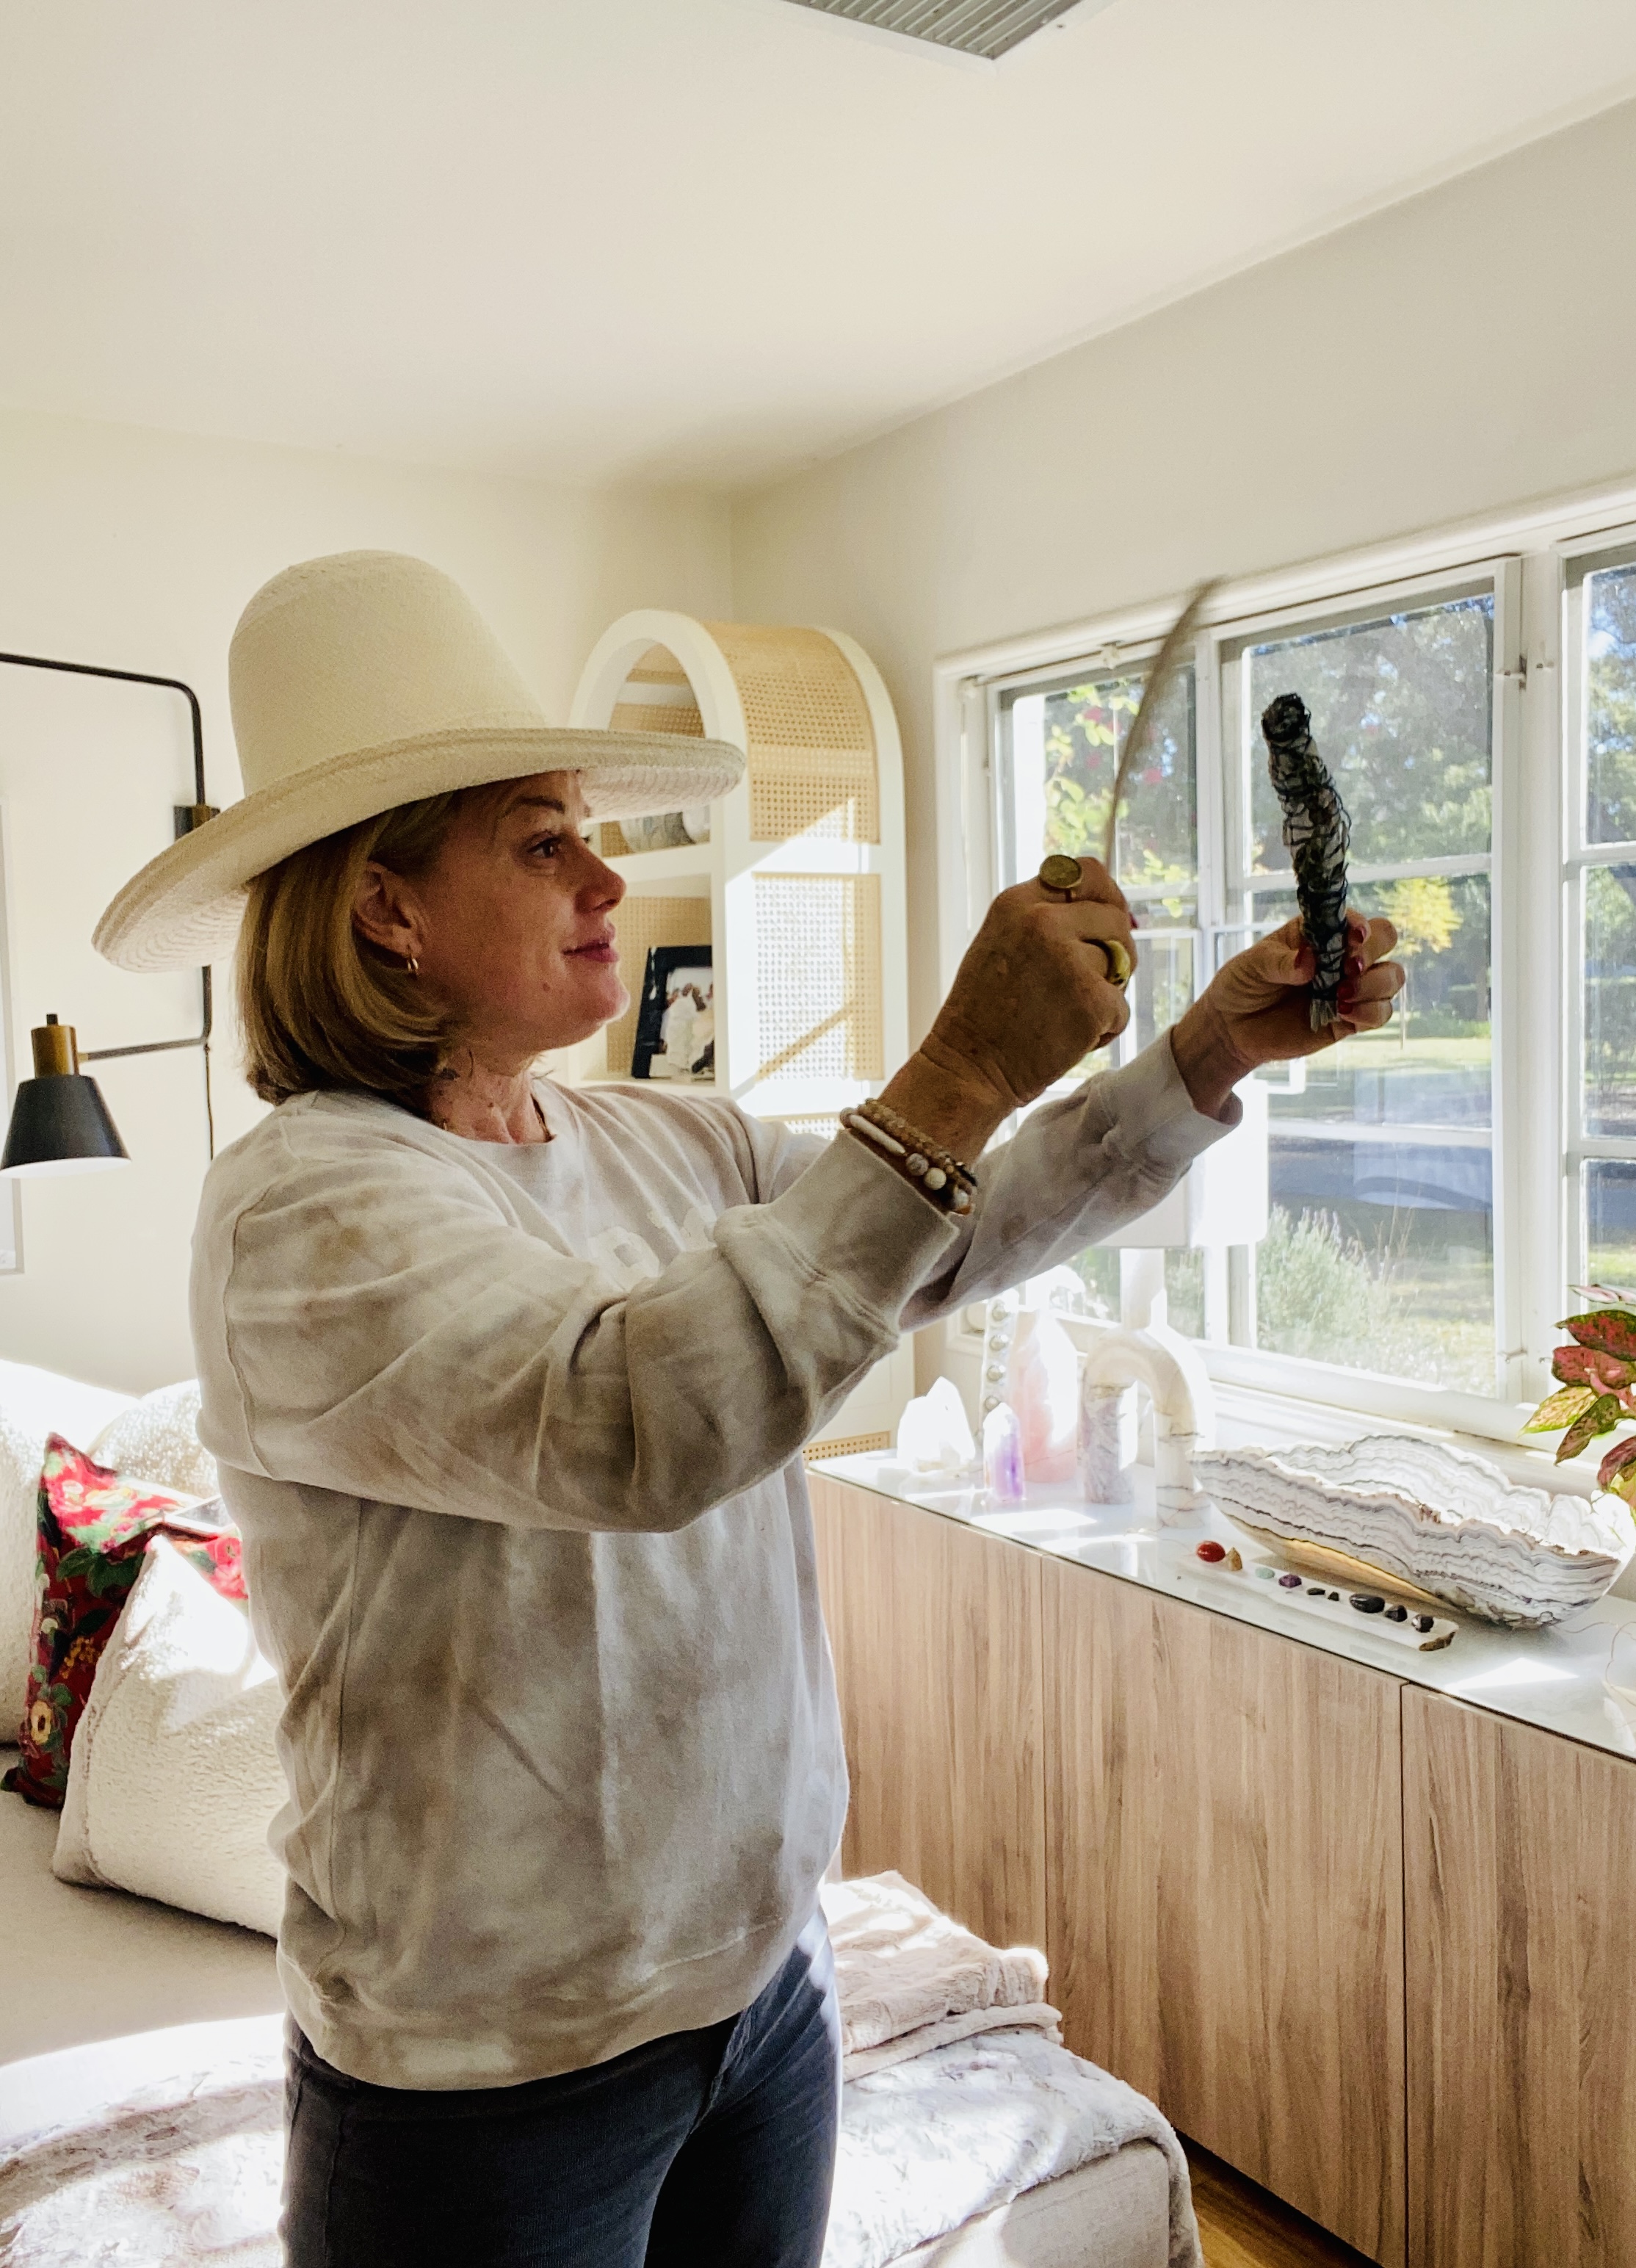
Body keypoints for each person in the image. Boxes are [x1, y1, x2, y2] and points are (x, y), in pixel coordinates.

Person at [94, 552, 1404, 2268]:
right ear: (386, 910)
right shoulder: (303, 1207)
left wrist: (1205, 1055)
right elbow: (633, 1423)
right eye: (542, 838)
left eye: (592, 827)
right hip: (486, 2080)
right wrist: (955, 1068)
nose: (606, 871)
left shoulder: (665, 1136)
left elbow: (941, 1226)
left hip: (764, 1995)